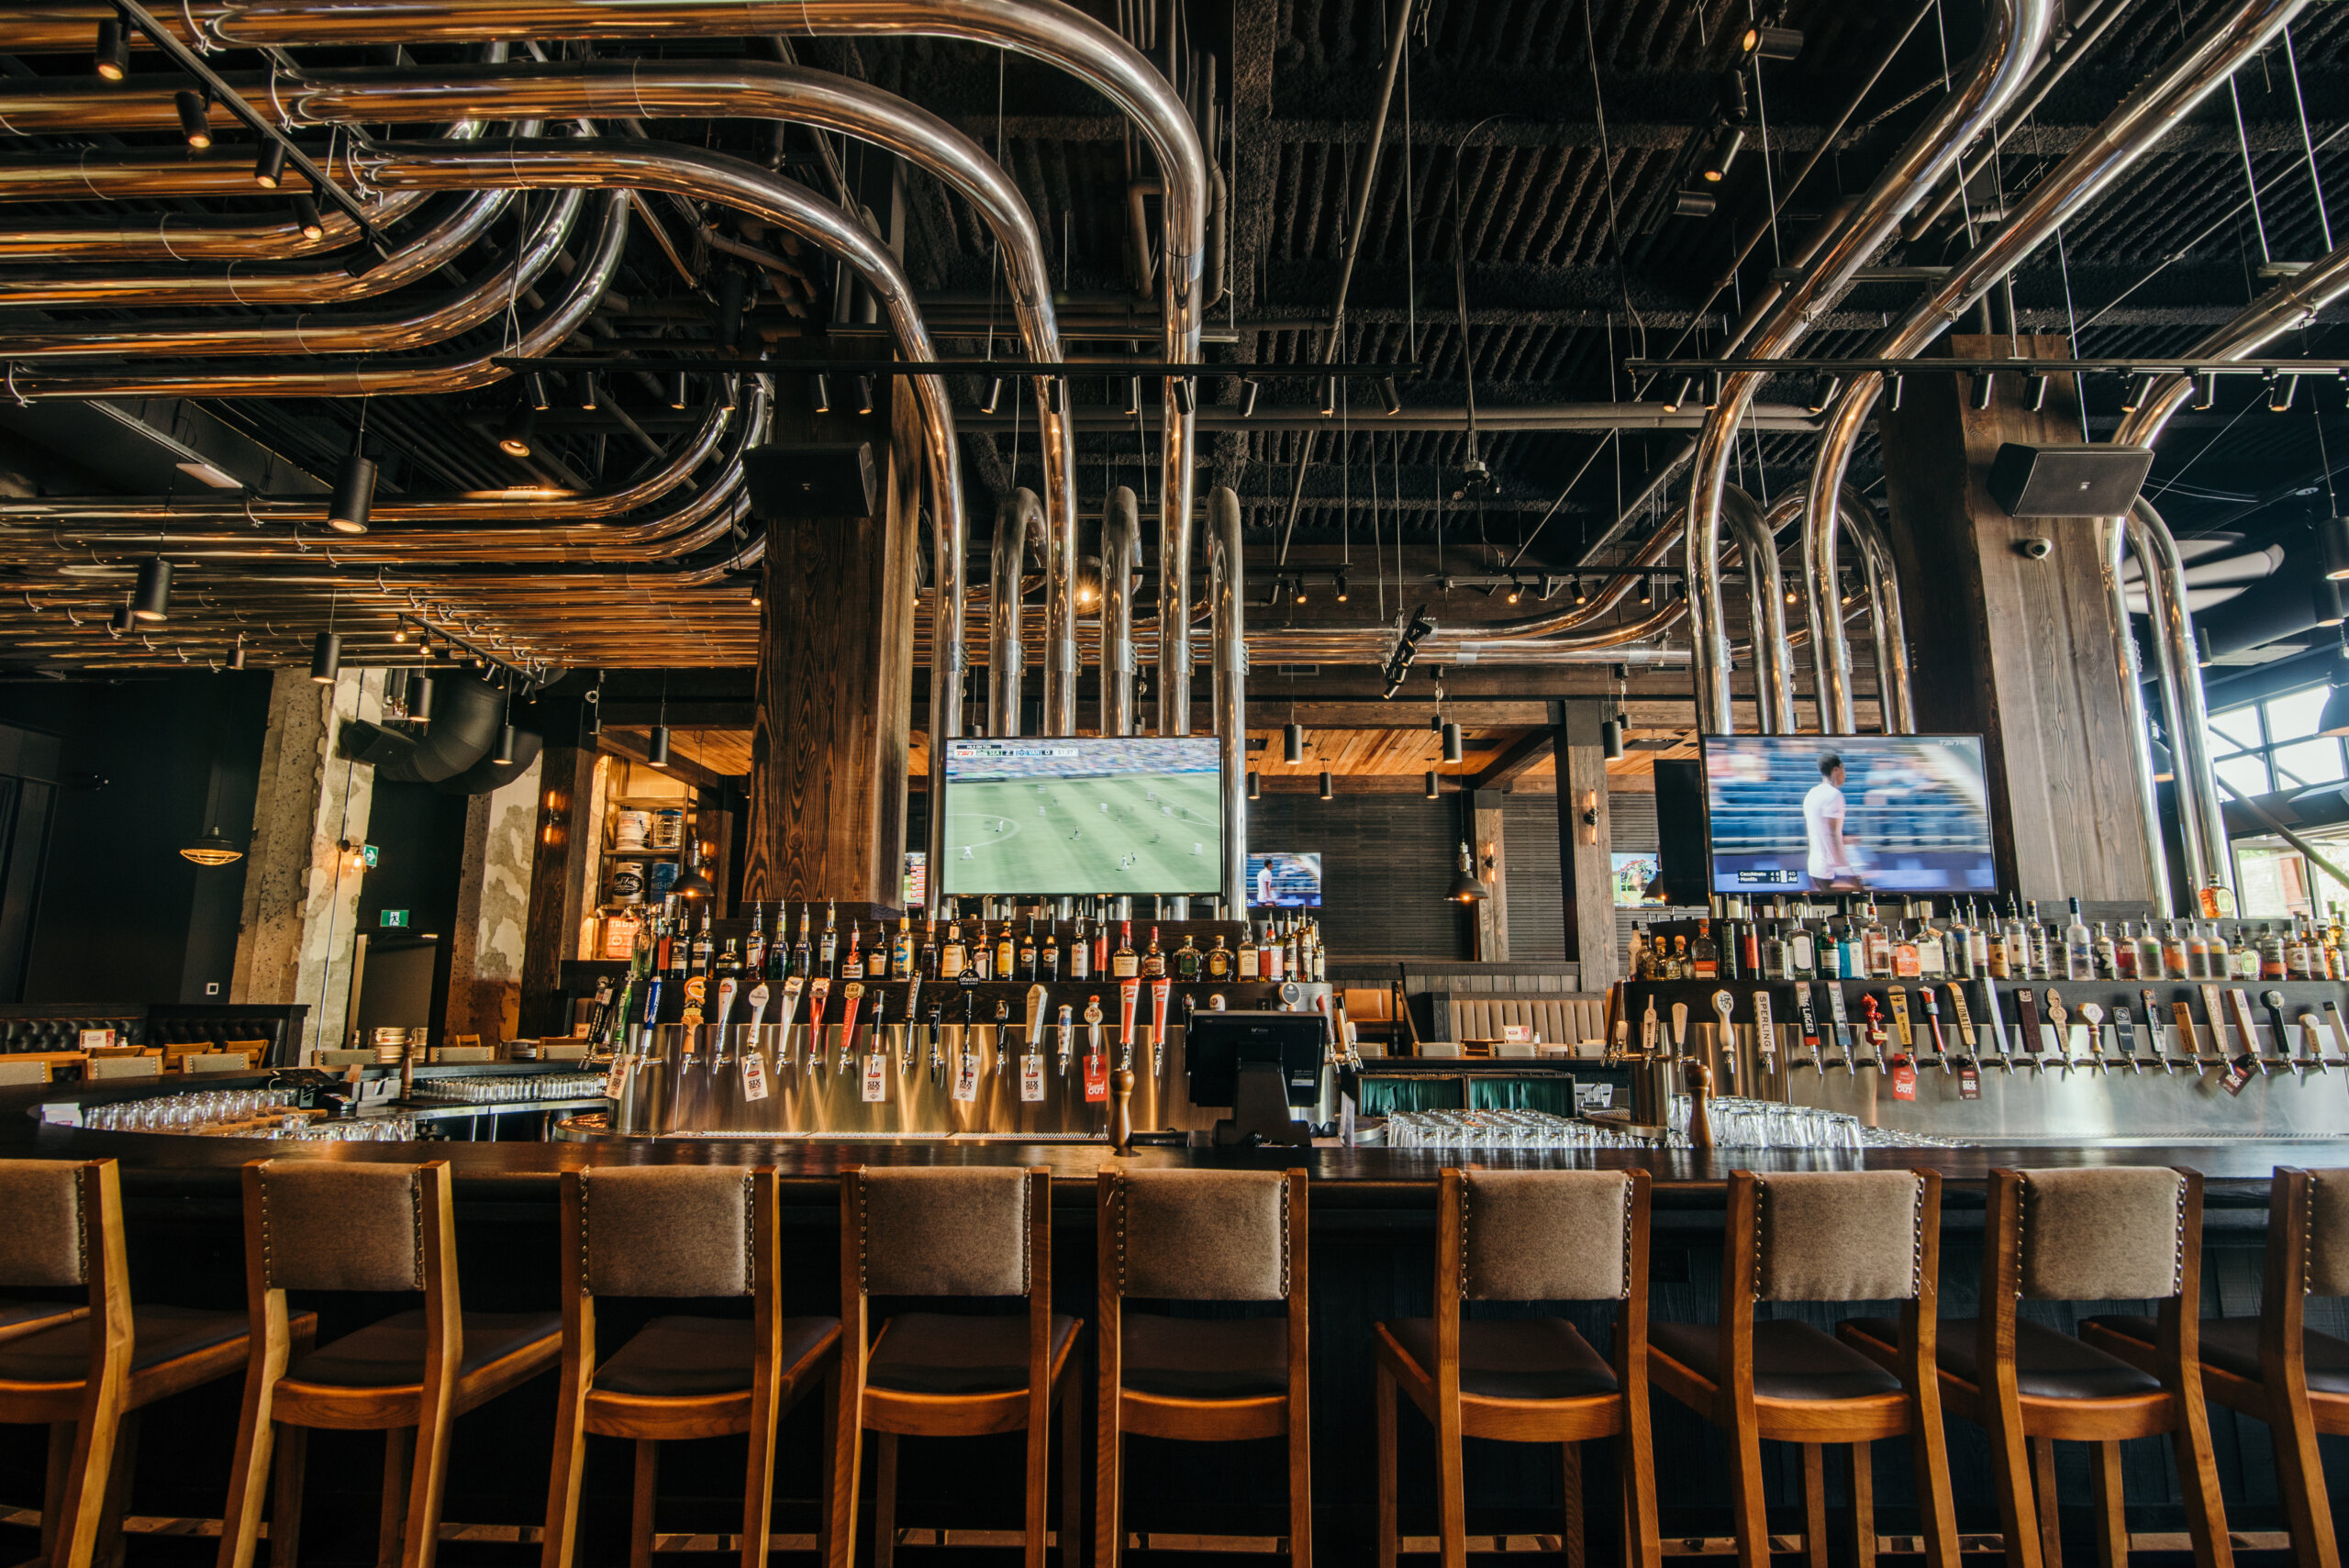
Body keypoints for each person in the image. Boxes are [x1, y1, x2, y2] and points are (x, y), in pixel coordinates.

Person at [1804, 752, 1863, 892]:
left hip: (1815, 866)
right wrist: (1844, 868)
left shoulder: (1812, 793)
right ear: (1836, 769)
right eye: (1844, 769)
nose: (1845, 774)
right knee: (1861, 902)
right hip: (1831, 869)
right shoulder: (1834, 795)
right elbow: (1832, 835)